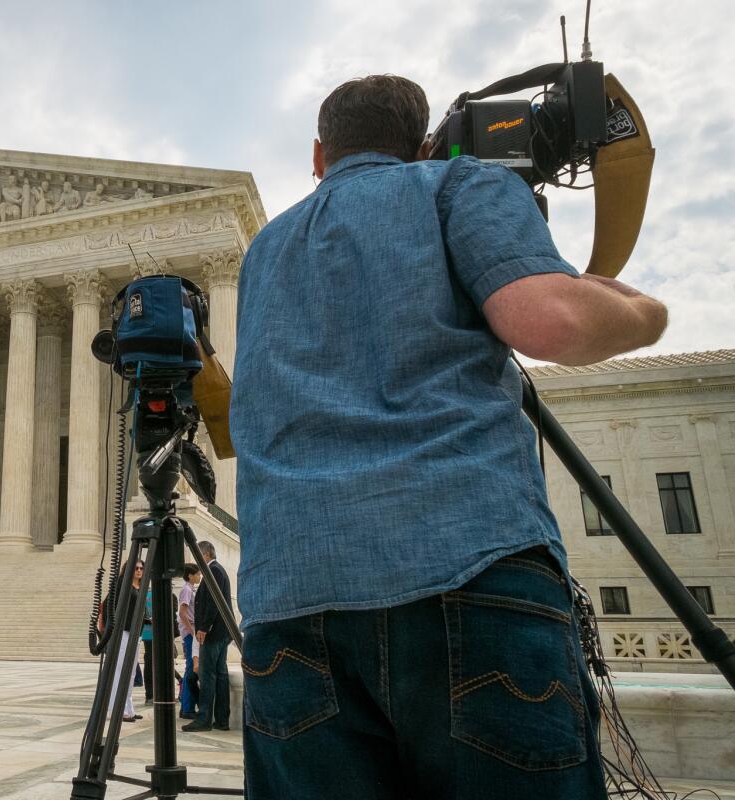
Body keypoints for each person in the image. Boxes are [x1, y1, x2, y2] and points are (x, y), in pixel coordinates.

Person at [230, 76, 668, 800]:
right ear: (424, 144)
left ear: (317, 155)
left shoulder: (264, 250)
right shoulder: (456, 183)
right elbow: (551, 323)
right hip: (465, 568)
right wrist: (648, 313)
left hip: (291, 599)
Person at [181, 542, 231, 733]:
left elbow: (213, 601)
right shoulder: (218, 570)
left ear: (206, 554)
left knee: (208, 675)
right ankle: (221, 720)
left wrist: (204, 627)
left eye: (198, 555)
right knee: (220, 675)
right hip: (220, 632)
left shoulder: (214, 571)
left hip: (213, 632)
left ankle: (204, 719)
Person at [98, 560, 145, 723]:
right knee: (119, 670)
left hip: (135, 634)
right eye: (136, 568)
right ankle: (119, 709)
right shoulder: (121, 584)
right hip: (122, 633)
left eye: (141, 568)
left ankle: (129, 707)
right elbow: (106, 604)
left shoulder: (141, 586)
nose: (139, 571)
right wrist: (108, 627)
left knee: (131, 672)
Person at [177, 564, 201, 719]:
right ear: (190, 575)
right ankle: (187, 708)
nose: (199, 576)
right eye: (197, 574)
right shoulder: (186, 589)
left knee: (190, 670)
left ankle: (187, 705)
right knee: (191, 669)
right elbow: (182, 612)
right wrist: (191, 630)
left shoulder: (190, 589)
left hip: (190, 631)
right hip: (189, 633)